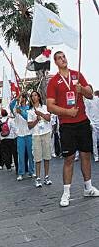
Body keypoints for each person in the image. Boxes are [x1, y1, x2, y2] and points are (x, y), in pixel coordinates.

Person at [46, 51, 99, 207]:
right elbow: (50, 106)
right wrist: (67, 112)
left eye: (64, 57)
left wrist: (82, 89)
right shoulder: (54, 81)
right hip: (67, 125)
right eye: (59, 58)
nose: (63, 59)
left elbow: (90, 94)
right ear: (55, 62)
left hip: (82, 122)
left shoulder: (77, 75)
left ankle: (88, 187)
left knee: (86, 155)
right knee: (69, 159)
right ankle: (66, 192)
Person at [27, 91, 53, 188]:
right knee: (37, 158)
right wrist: (36, 120)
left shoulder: (44, 107)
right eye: (32, 96)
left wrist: (40, 114)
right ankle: (38, 178)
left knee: (47, 156)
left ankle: (46, 177)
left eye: (35, 95)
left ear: (39, 97)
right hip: (36, 135)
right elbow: (29, 126)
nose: (34, 97)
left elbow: (48, 118)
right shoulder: (29, 111)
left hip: (45, 133)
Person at [11, 94, 34, 181]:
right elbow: (10, 105)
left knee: (31, 155)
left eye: (22, 98)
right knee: (20, 155)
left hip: (29, 134)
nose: (21, 99)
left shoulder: (29, 109)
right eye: (20, 98)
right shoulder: (16, 109)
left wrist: (22, 112)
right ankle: (21, 173)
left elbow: (28, 118)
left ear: (25, 99)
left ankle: (32, 171)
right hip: (20, 136)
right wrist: (16, 98)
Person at [84, 86, 99, 162]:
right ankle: (96, 156)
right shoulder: (86, 101)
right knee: (94, 141)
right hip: (93, 123)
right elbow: (87, 112)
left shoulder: (97, 99)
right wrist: (91, 123)